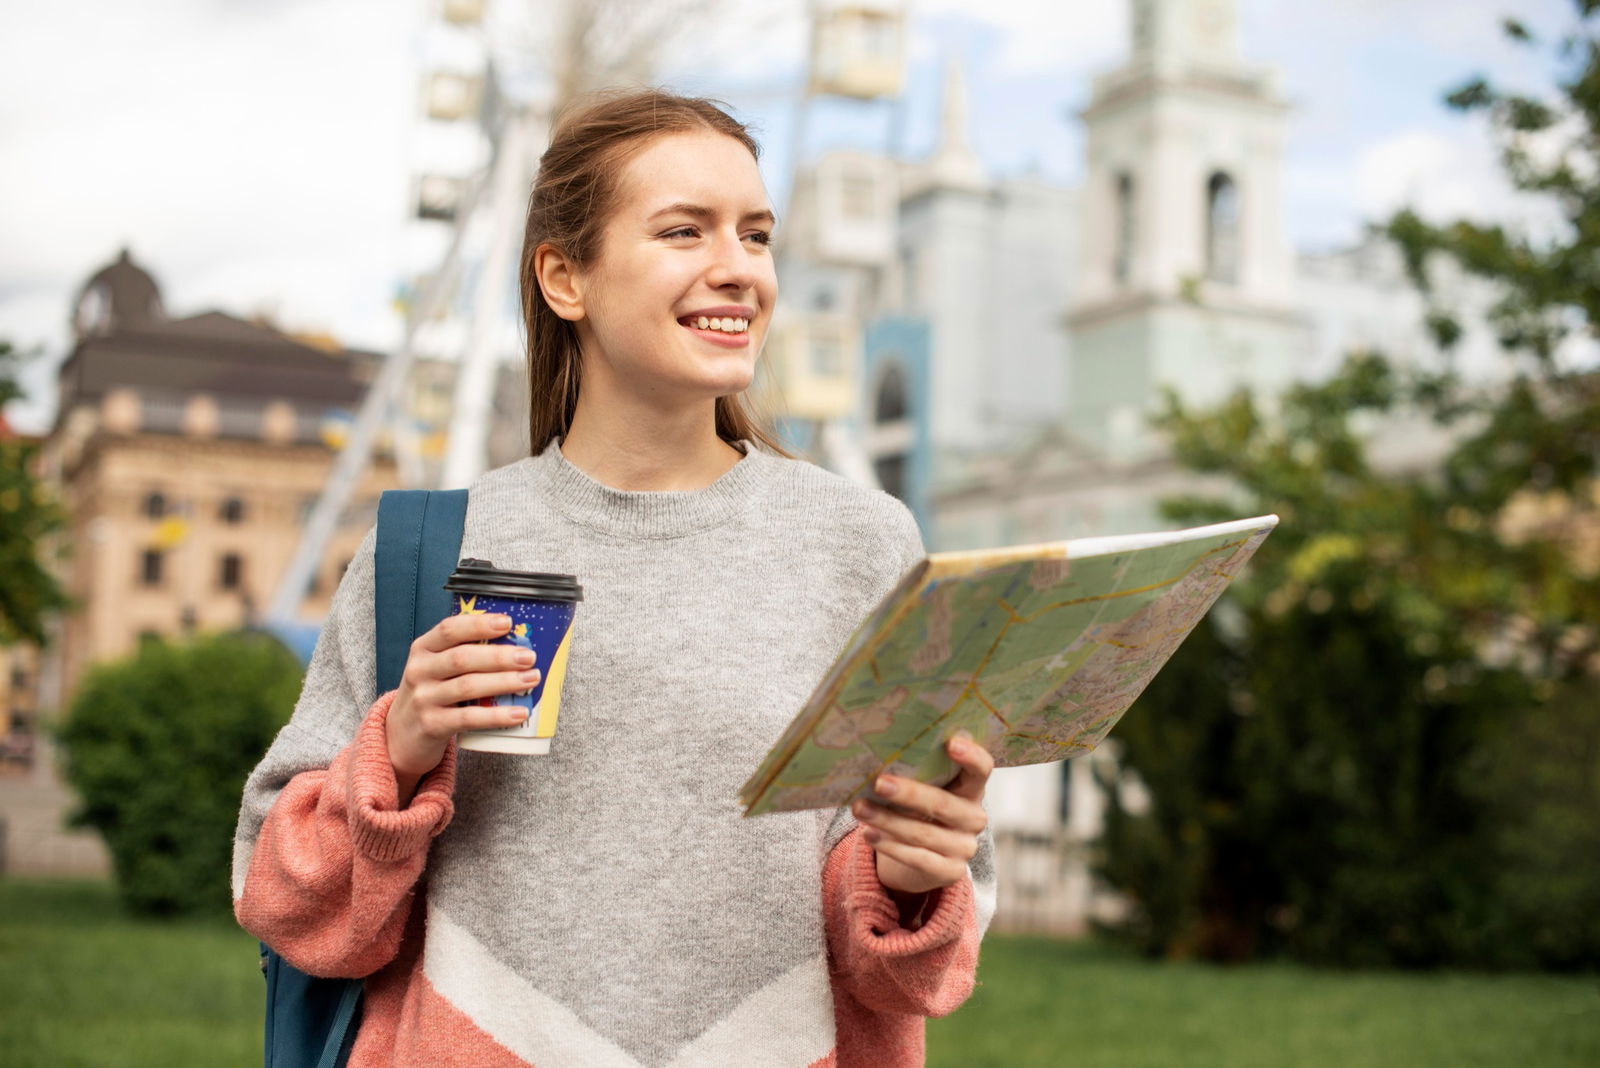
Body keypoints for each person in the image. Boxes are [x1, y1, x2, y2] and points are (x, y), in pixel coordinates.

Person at [233, 87, 996, 1068]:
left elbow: (914, 971)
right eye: (684, 231)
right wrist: (402, 747)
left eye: (756, 236)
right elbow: (283, 898)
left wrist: (910, 879)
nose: (738, 270)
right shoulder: (435, 546)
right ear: (564, 278)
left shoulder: (861, 544)